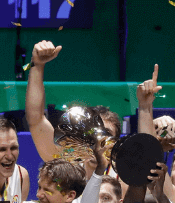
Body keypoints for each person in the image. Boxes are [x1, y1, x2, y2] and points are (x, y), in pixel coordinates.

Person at [24, 40, 121, 175]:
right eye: (93, 133)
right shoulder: (68, 167)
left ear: (116, 144)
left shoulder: (123, 178)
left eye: (107, 134)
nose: (99, 139)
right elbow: (35, 118)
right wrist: (37, 65)